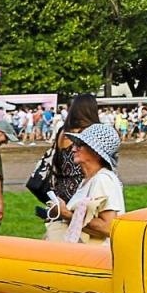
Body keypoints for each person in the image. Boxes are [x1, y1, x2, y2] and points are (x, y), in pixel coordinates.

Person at [45, 123, 124, 293]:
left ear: (96, 152)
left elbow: (109, 227)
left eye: (81, 144)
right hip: (82, 261)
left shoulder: (103, 180)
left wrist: (66, 214)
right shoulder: (89, 181)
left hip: (96, 263)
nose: (73, 148)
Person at [41, 93, 99, 234]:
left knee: (63, 233)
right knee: (85, 233)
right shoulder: (87, 133)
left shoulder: (63, 131)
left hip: (61, 188)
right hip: (81, 187)